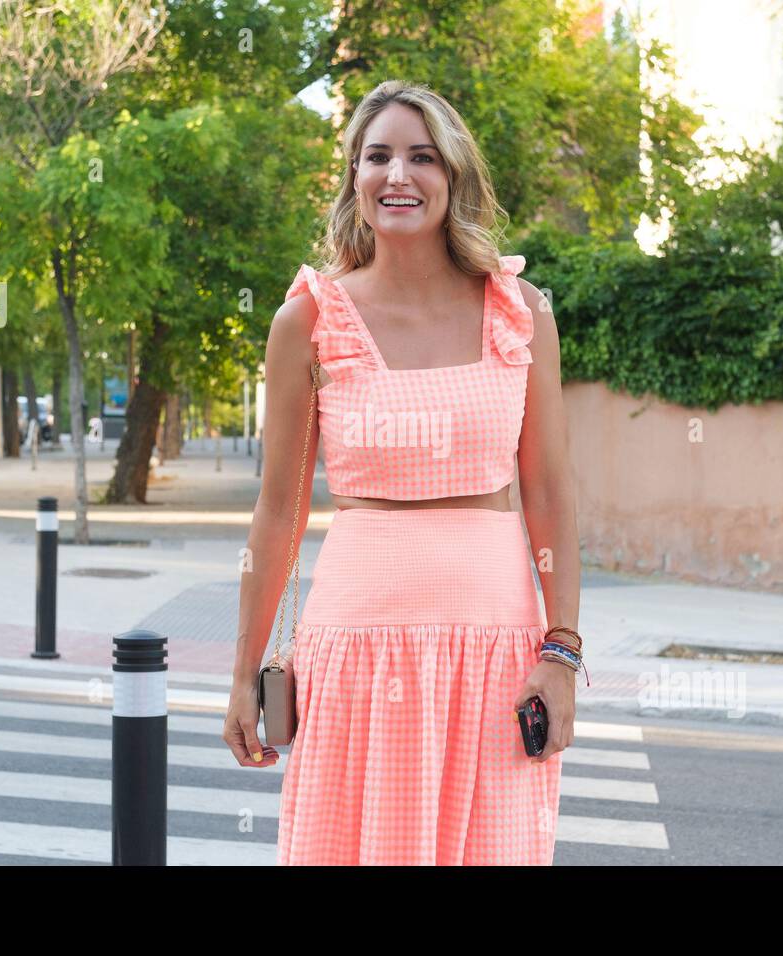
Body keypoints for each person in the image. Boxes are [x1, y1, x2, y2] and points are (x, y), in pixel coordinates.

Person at [224, 80, 583, 865]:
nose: (398, 174)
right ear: (353, 177)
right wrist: (243, 671)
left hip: (493, 656)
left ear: (453, 178)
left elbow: (550, 496)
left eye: (422, 157)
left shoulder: (523, 312)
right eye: (377, 155)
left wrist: (562, 655)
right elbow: (278, 513)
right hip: (354, 655)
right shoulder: (309, 320)